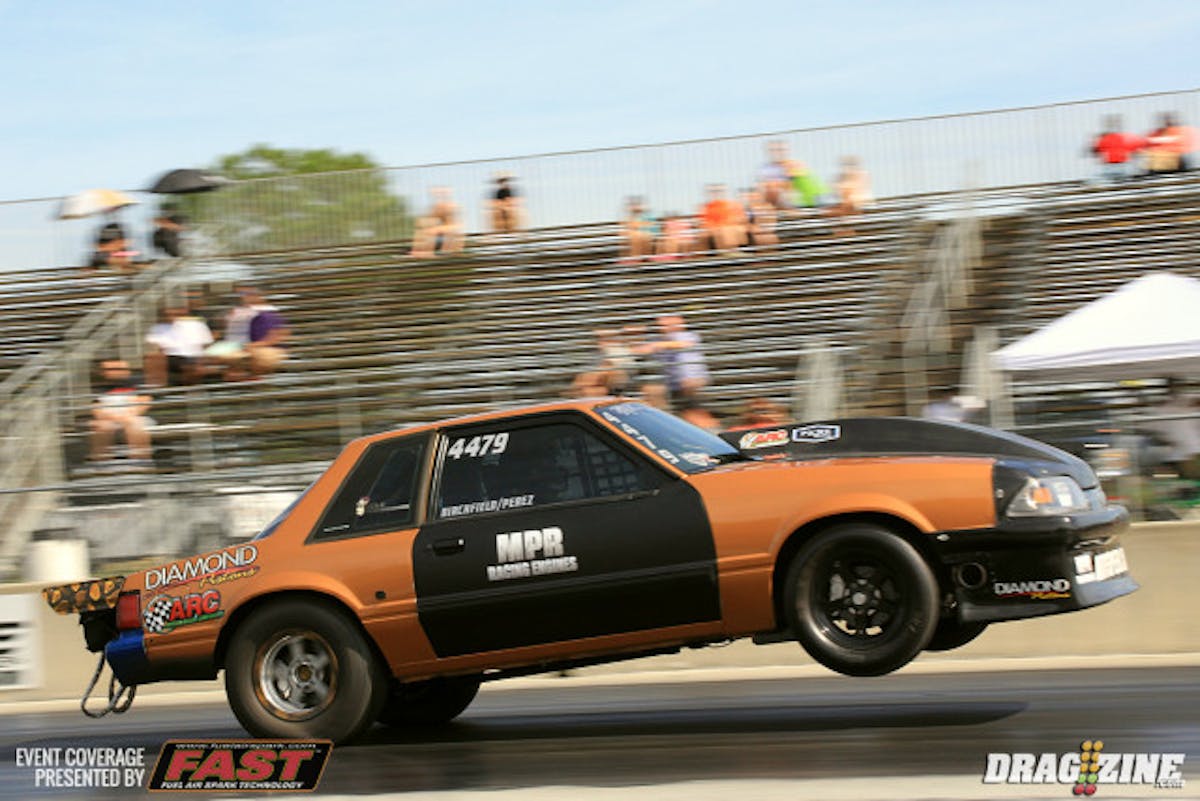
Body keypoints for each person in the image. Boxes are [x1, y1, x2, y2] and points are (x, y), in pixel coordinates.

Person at [89, 359, 152, 462]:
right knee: (101, 426)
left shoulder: (137, 383)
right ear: (104, 372)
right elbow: (96, 409)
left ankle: (141, 462)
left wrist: (127, 416)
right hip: (108, 419)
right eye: (111, 369)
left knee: (135, 424)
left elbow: (145, 402)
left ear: (128, 371)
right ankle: (101, 465)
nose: (116, 372)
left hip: (134, 417)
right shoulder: (99, 387)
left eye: (120, 369)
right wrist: (116, 418)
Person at [648, 314, 709, 408]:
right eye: (663, 323)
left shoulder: (689, 336)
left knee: (690, 383)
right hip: (671, 383)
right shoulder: (657, 340)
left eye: (670, 322)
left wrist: (658, 345)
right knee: (653, 390)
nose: (667, 326)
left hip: (690, 380)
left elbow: (684, 344)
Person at [144, 304, 214, 386]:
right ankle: (157, 389)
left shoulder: (197, 325)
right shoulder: (159, 328)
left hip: (193, 357)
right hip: (170, 358)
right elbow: (155, 347)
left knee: (192, 365)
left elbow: (206, 346)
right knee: (154, 358)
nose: (173, 316)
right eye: (169, 314)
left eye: (176, 313)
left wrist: (201, 361)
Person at [1088, 115, 1147, 182]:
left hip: (1112, 166)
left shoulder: (1104, 139)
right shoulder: (1124, 137)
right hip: (1122, 166)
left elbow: (1095, 151)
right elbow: (1136, 149)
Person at [410, 187, 463, 257]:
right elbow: (424, 223)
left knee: (432, 232)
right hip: (439, 240)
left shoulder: (452, 208)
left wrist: (436, 229)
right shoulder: (437, 208)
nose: (439, 199)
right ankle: (417, 251)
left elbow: (457, 227)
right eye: (437, 196)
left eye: (441, 195)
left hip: (450, 241)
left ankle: (427, 252)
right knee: (425, 228)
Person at [826, 156, 872, 236]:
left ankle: (845, 232)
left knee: (840, 209)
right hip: (848, 203)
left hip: (856, 203)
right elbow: (835, 189)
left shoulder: (860, 175)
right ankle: (844, 232)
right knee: (831, 212)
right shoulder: (843, 176)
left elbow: (851, 190)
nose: (847, 168)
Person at [699, 184, 745, 254]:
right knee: (725, 230)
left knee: (731, 229)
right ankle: (728, 252)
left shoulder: (730, 204)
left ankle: (733, 250)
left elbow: (736, 217)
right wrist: (717, 226)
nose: (717, 194)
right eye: (714, 192)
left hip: (729, 226)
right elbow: (705, 222)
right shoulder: (707, 207)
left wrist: (730, 222)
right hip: (717, 228)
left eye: (719, 192)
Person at [757, 140, 794, 210]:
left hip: (788, 198)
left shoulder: (792, 165)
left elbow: (791, 185)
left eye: (779, 150)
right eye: (773, 150)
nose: (776, 153)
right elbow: (761, 188)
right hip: (773, 199)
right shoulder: (764, 169)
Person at [620, 196, 657, 263]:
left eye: (636, 205)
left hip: (645, 237)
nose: (635, 207)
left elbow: (652, 227)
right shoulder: (629, 217)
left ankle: (639, 258)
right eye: (633, 205)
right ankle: (636, 258)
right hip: (636, 238)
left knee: (639, 237)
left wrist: (637, 227)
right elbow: (626, 229)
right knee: (635, 237)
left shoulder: (647, 215)